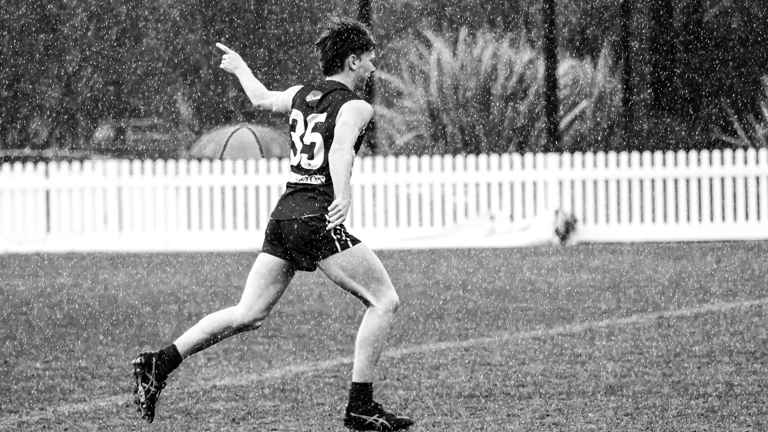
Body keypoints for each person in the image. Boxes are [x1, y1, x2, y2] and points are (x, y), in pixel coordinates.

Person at [131, 16, 414, 432]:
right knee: (384, 301)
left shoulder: (302, 94)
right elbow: (339, 152)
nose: (373, 68)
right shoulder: (357, 106)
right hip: (315, 213)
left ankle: (159, 362)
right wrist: (344, 195)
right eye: (370, 60)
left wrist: (241, 68)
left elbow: (262, 99)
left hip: (284, 214)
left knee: (248, 312)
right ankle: (360, 405)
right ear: (352, 61)